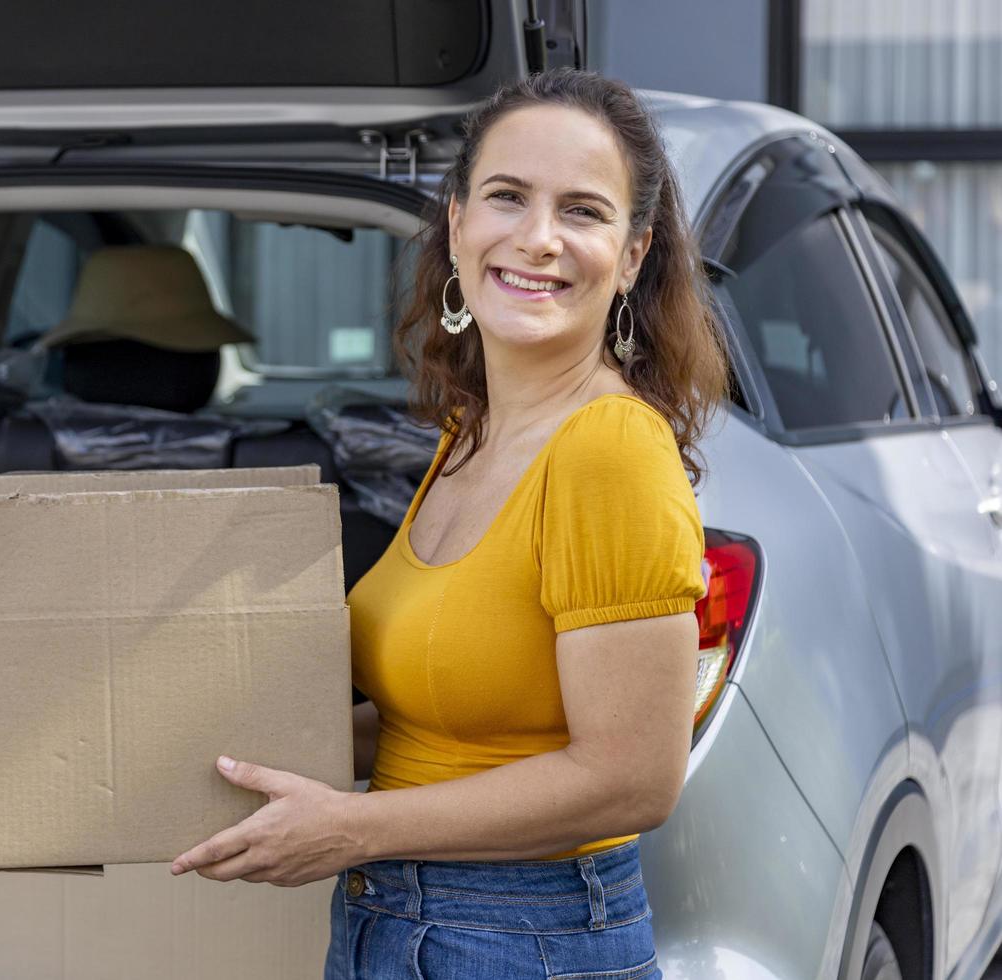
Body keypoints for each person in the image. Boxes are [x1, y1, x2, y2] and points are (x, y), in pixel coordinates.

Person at [170, 67, 729, 978]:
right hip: (396, 921)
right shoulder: (474, 432)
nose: (539, 239)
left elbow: (634, 775)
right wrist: (234, 747)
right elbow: (451, 710)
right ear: (459, 222)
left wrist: (349, 828)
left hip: (522, 939)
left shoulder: (609, 450)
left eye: (583, 212)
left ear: (632, 256)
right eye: (507, 197)